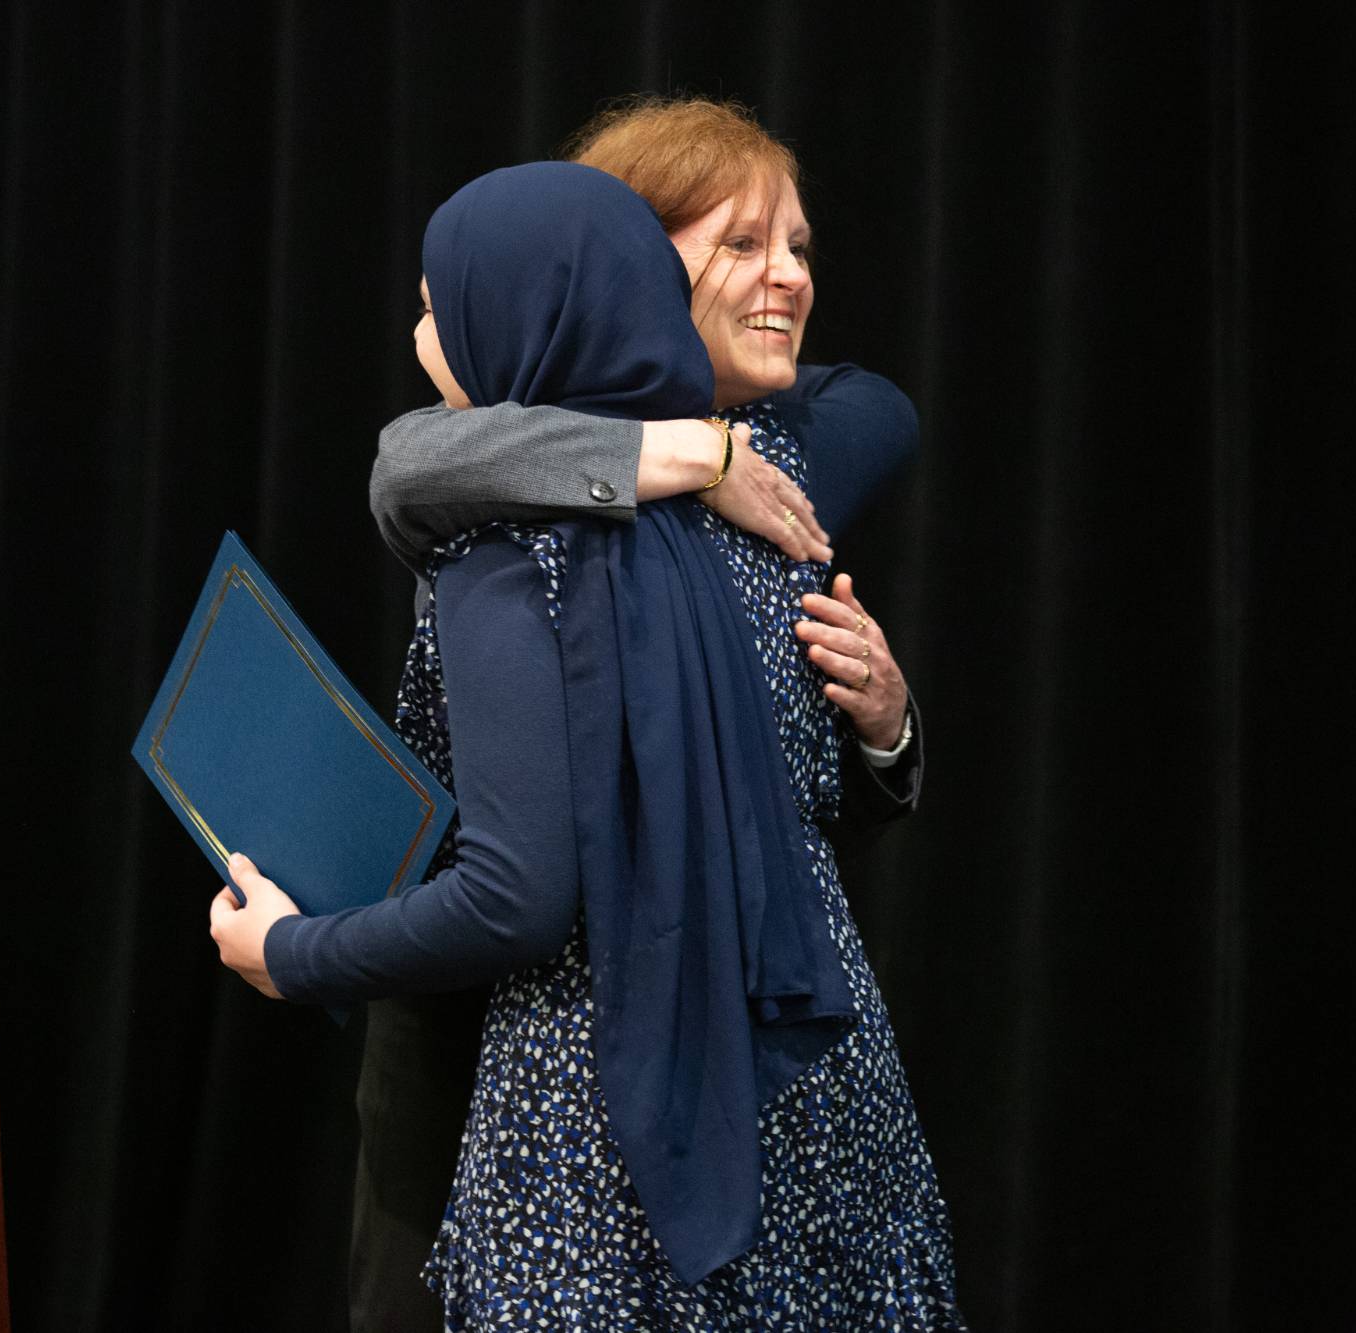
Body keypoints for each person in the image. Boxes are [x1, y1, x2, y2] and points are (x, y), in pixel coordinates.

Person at [209, 161, 961, 1324]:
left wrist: (290, 952)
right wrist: (683, 454)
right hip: (808, 1086)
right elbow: (409, 459)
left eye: (433, 307)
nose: (786, 276)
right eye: (742, 244)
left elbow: (520, 895)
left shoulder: (525, 550)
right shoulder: (752, 499)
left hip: (589, 1104)